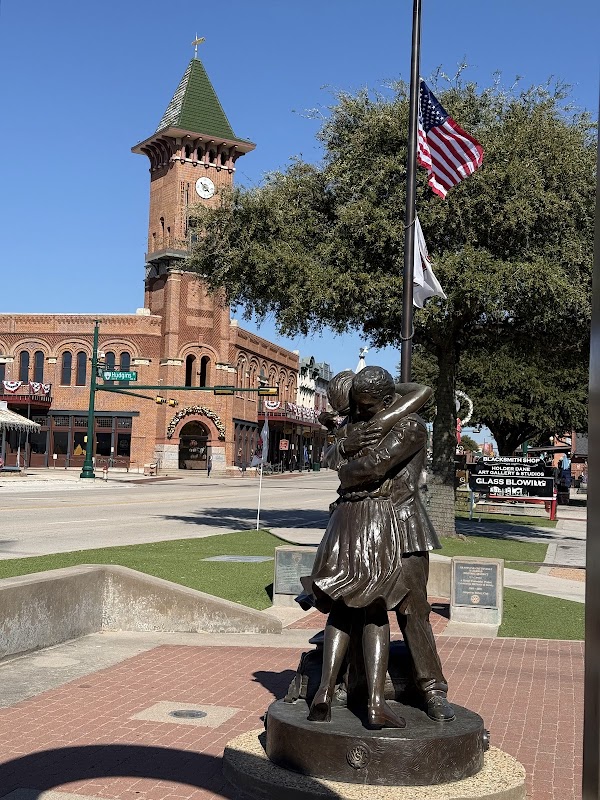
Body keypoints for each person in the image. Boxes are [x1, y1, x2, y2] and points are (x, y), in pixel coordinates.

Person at [302, 366, 453, 729]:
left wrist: (347, 460)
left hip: (404, 526)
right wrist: (344, 446)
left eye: (367, 406)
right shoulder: (361, 421)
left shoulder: (409, 426)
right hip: (367, 524)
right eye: (357, 405)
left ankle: (433, 690)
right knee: (359, 606)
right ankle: (350, 686)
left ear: (386, 401)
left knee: (413, 610)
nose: (359, 413)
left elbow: (370, 467)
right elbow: (334, 455)